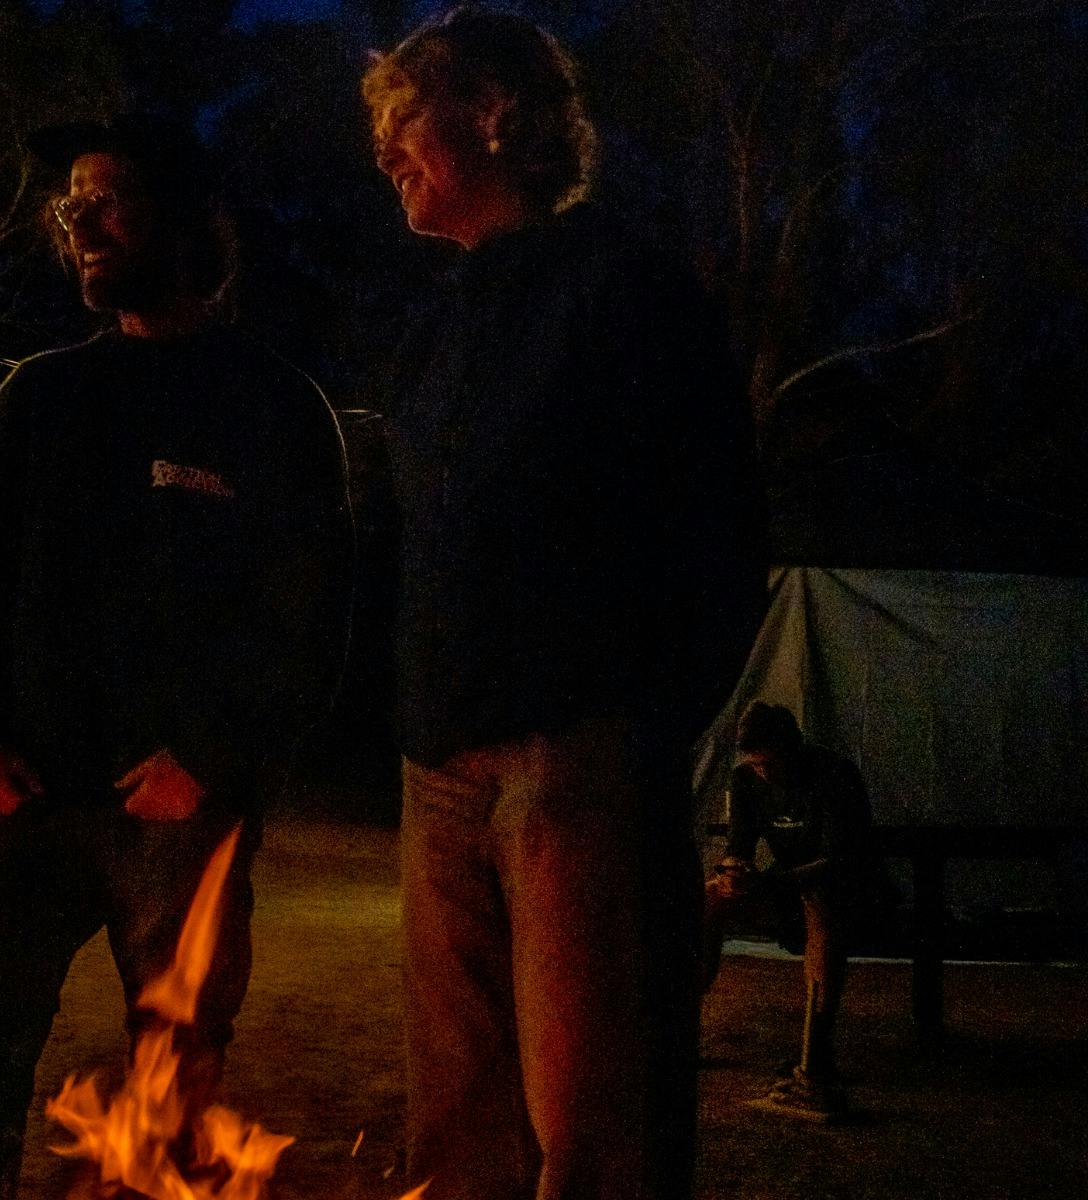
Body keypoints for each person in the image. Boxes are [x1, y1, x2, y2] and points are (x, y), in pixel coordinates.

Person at [363, 8, 765, 1199]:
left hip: (574, 756)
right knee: (457, 1122)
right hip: (436, 761)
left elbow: (717, 537)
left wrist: (632, 728)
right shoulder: (432, 322)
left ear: (495, 114)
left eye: (404, 116)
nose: (383, 147)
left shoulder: (625, 290)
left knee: (593, 1128)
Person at [0, 112, 351, 1200]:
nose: (80, 224)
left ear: (183, 221)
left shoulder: (273, 407)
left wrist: (213, 760)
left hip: (179, 809)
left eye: (106, 197)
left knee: (173, 1083)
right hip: (21, 801)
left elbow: (314, 622)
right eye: (71, 205)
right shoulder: (39, 395)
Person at [704, 701, 879, 1117]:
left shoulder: (833, 775)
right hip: (782, 886)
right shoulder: (745, 780)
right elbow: (739, 847)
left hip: (848, 893)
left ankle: (814, 1055)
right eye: (756, 764)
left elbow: (840, 860)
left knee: (820, 902)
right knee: (707, 899)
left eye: (771, 763)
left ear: (792, 748)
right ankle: (676, 1026)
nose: (764, 772)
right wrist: (732, 872)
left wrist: (769, 882)